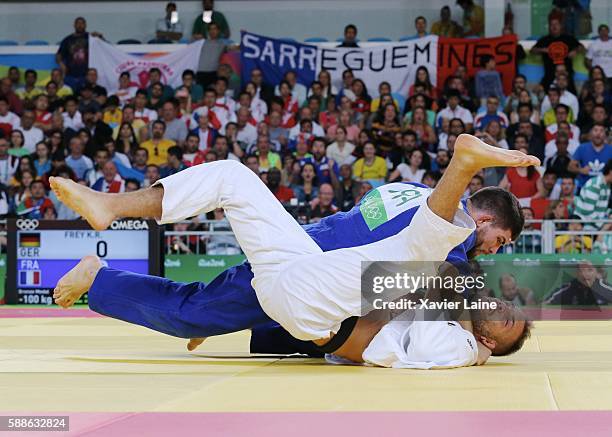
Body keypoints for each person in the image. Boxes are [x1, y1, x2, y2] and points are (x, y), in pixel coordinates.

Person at [51, 134, 537, 367]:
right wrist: (482, 333)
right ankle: (101, 278)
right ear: (486, 219)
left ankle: (111, 205)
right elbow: (437, 271)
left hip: (300, 247)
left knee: (231, 176)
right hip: (310, 272)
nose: (492, 250)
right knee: (194, 312)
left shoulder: (409, 188)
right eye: (500, 240)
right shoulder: (451, 234)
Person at [531, 16, 582, 92]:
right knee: (547, 95)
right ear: (549, 27)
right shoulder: (544, 39)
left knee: (571, 95)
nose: (554, 27)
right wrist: (542, 50)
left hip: (566, 73)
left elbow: (581, 47)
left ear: (560, 26)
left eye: (556, 24)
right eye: (552, 25)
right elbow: (532, 50)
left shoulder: (568, 38)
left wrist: (575, 51)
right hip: (550, 73)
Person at [56, 17, 103, 91]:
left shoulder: (91, 38)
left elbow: (104, 47)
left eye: (82, 23)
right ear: (74, 25)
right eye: (78, 23)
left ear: (85, 25)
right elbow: (59, 55)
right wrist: (61, 64)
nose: (80, 25)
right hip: (70, 75)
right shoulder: (67, 40)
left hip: (87, 75)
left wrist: (100, 37)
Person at [573, 160, 611, 228]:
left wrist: (610, 214)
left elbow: (602, 208)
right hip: (583, 227)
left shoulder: (607, 186)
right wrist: (603, 225)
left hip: (595, 226)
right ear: (611, 171)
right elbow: (587, 212)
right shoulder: (595, 185)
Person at [195, 22, 227, 90]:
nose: (213, 31)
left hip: (213, 73)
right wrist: (194, 37)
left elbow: (235, 48)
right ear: (208, 31)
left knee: (212, 93)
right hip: (201, 72)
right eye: (211, 29)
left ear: (218, 31)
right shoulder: (201, 42)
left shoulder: (222, 44)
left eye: (214, 29)